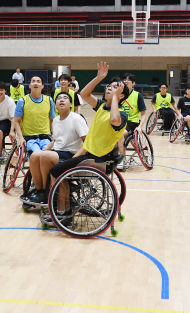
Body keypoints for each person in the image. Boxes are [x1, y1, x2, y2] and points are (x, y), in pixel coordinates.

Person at [47, 63, 129, 215]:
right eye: (109, 86)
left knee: (55, 172)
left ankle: (62, 210)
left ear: (121, 95)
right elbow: (83, 95)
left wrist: (116, 99)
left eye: (115, 87)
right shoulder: (103, 106)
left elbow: (114, 120)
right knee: (60, 166)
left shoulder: (122, 114)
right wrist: (98, 78)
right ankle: (66, 202)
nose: (110, 88)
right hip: (89, 155)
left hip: (97, 159)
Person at [24, 92, 88, 205]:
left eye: (65, 98)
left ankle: (49, 193)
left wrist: (75, 158)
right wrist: (42, 151)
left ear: (70, 104)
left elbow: (87, 142)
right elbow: (54, 140)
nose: (61, 100)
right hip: (57, 152)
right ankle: (41, 192)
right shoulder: (56, 120)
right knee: (35, 155)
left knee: (45, 156)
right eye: (59, 98)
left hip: (71, 154)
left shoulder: (77, 119)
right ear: (55, 105)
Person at [13, 75, 55, 154]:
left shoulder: (49, 100)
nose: (36, 83)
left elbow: (52, 120)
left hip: (45, 137)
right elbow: (16, 121)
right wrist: (21, 137)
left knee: (48, 155)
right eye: (33, 81)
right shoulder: (22, 101)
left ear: (42, 86)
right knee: (38, 153)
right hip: (29, 138)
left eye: (38, 82)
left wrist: (54, 136)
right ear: (29, 86)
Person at [117, 73, 147, 156]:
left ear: (133, 83)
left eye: (128, 80)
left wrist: (140, 127)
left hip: (131, 123)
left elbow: (144, 114)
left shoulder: (138, 95)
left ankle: (121, 160)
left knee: (119, 135)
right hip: (118, 122)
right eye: (124, 79)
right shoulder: (118, 95)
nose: (126, 81)